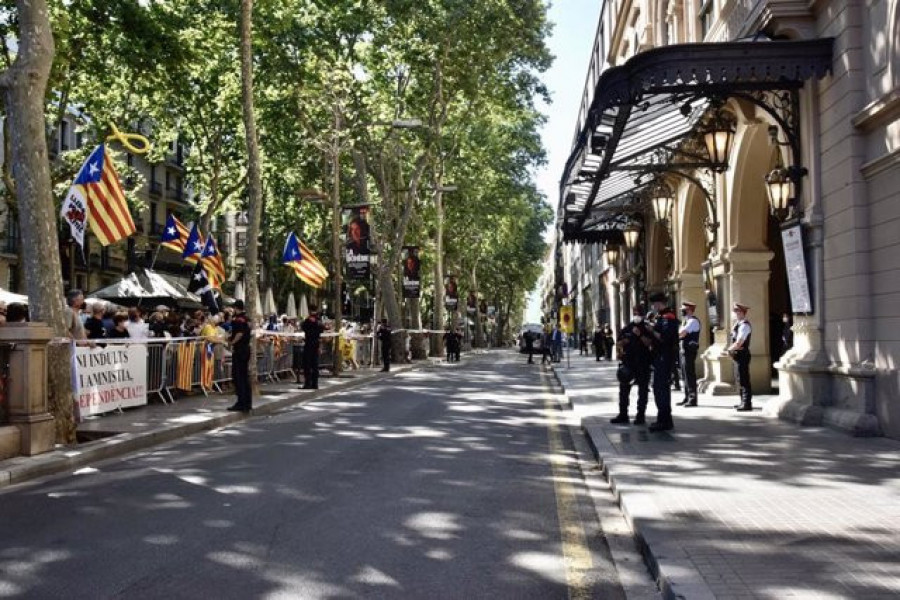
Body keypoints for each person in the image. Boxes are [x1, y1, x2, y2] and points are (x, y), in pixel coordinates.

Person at [610, 306, 654, 425]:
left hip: (643, 363)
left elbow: (649, 342)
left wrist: (639, 335)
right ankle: (623, 414)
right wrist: (623, 344)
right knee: (623, 390)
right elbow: (618, 343)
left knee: (643, 390)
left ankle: (640, 415)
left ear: (643, 315)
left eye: (639, 313)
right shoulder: (627, 328)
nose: (636, 316)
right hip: (628, 363)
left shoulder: (647, 328)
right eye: (634, 313)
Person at [647, 293, 680, 432]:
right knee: (659, 388)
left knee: (661, 388)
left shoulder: (668, 317)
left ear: (659, 303)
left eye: (654, 304)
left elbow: (664, 338)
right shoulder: (661, 317)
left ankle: (665, 421)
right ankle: (663, 419)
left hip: (664, 357)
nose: (653, 307)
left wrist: (651, 330)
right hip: (659, 356)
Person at [227, 300, 252, 412]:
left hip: (240, 350)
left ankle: (241, 402)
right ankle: (247, 402)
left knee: (238, 377)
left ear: (236, 308)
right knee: (245, 376)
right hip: (246, 349)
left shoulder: (238, 320)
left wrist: (231, 343)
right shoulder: (247, 319)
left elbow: (239, 334)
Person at [728, 303, 753, 412]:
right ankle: (742, 401)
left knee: (744, 379)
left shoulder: (744, 325)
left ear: (742, 313)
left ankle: (747, 403)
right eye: (735, 311)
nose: (735, 313)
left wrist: (729, 350)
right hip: (738, 355)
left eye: (737, 311)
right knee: (740, 378)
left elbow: (739, 342)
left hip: (742, 354)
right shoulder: (738, 324)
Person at [677, 301, 701, 407]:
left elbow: (682, 334)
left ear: (689, 310)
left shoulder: (692, 321)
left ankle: (692, 399)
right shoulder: (685, 321)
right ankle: (687, 397)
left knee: (689, 374)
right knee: (684, 374)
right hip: (684, 350)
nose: (682, 311)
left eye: (684, 309)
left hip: (689, 351)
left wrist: (674, 337)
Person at [301, 304, 324, 388]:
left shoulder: (307, 320)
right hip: (316, 344)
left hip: (309, 344)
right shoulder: (319, 321)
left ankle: (307, 383)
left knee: (307, 364)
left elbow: (303, 327)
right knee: (315, 365)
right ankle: (315, 384)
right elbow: (322, 329)